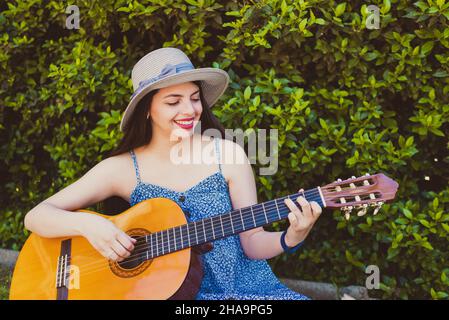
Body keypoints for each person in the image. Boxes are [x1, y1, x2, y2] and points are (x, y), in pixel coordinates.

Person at [24, 47, 323, 300]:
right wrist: (87, 224)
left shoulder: (227, 155)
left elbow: (252, 243)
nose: (190, 110)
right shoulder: (122, 169)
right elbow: (36, 216)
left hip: (244, 291)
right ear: (146, 110)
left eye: (194, 98)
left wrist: (292, 235)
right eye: (173, 101)